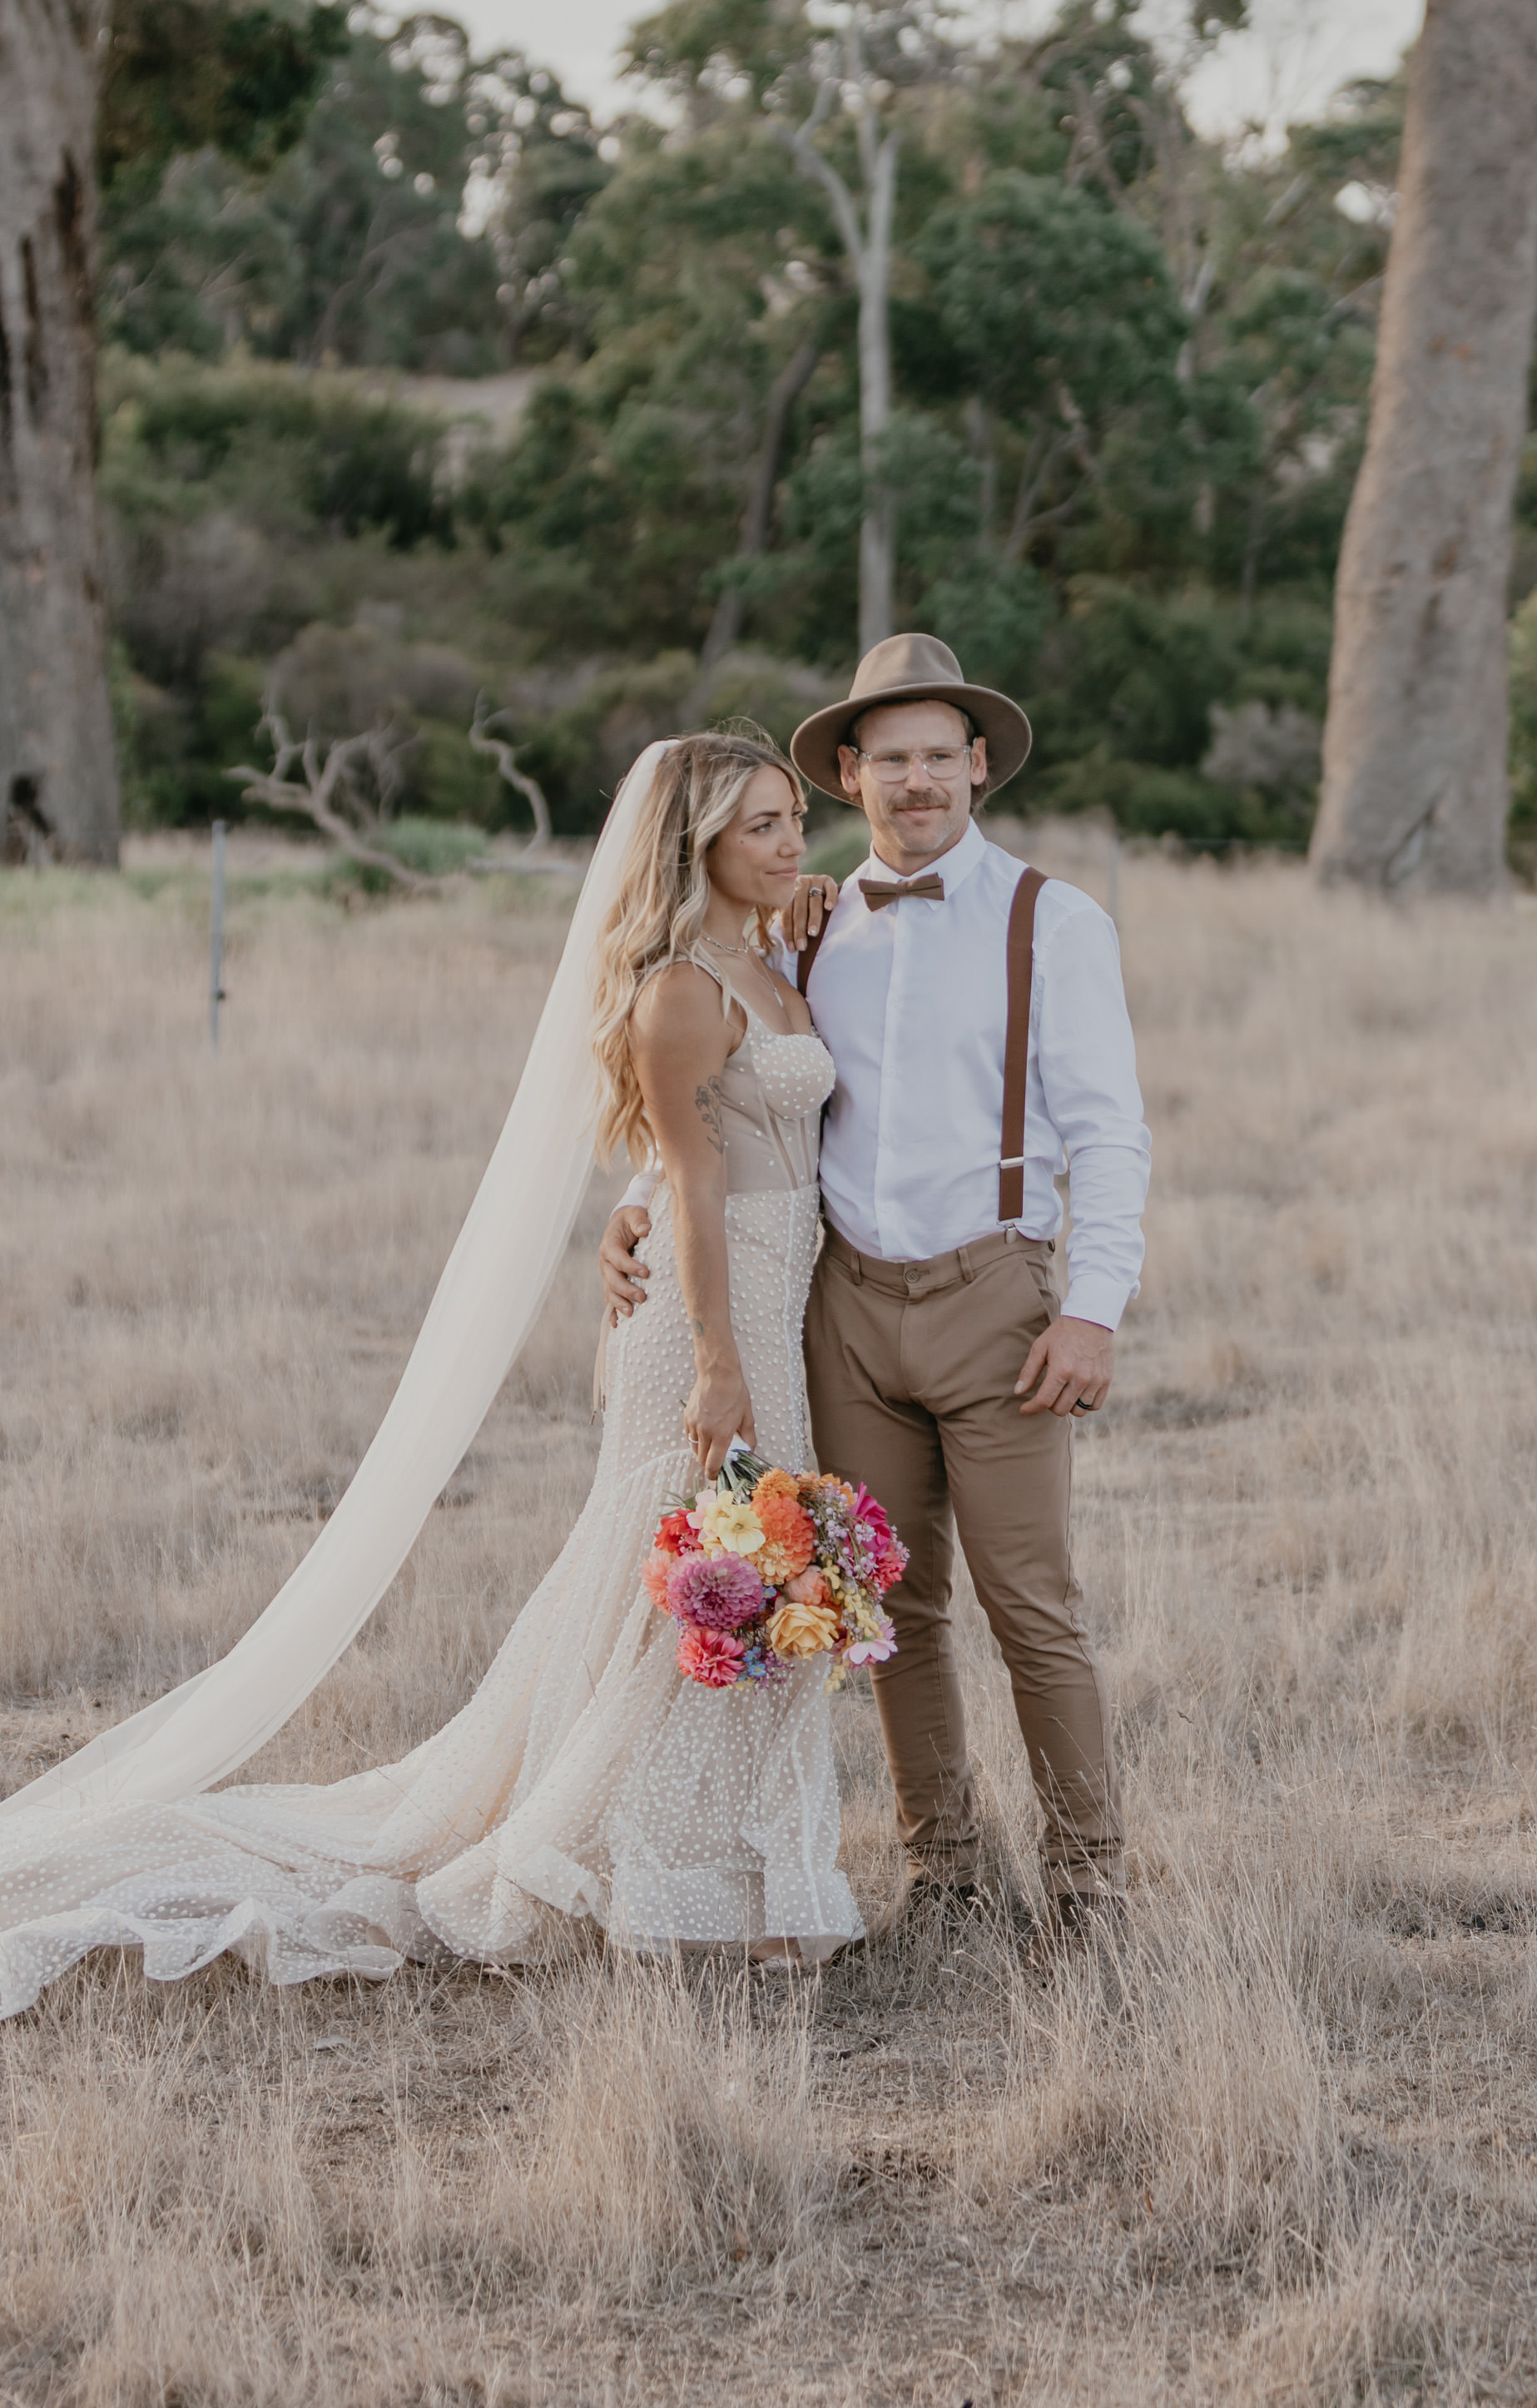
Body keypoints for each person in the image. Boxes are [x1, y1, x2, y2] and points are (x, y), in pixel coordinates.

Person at [0, 731, 863, 2019]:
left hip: (776, 1301)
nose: (792, 843)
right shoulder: (682, 992)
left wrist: (802, 909)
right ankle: (652, 1878)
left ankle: (736, 1877)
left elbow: (735, 1140)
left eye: (794, 819)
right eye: (762, 826)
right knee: (702, 1594)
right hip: (713, 1321)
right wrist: (718, 1362)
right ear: (698, 846)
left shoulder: (774, 951)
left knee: (757, 1589)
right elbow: (691, 1183)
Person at [601, 634, 1151, 1939]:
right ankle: (943, 1873)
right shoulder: (807, 926)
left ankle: (1088, 1881)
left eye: (938, 756)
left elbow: (1109, 1132)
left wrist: (1094, 1308)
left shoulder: (1056, 922)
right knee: (887, 1604)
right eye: (889, 759)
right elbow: (728, 1097)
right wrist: (635, 1201)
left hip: (997, 1297)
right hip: (841, 1305)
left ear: (979, 765)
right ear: (849, 774)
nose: (917, 781)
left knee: (1032, 1604)